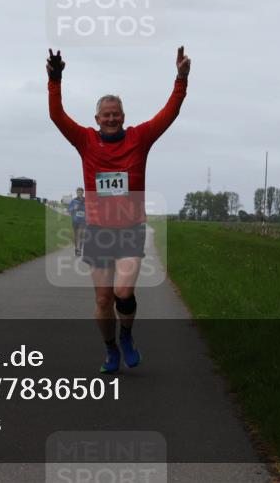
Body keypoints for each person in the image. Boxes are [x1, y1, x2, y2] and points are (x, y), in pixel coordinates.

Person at [47, 46, 190, 373]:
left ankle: (126, 336)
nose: (111, 118)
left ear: (123, 117)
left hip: (129, 230)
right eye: (106, 115)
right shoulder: (85, 140)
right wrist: (55, 79)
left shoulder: (140, 138)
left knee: (123, 291)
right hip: (98, 232)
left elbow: (170, 112)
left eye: (116, 114)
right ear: (97, 120)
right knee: (102, 301)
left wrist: (180, 78)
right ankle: (110, 348)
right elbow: (57, 116)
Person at [68, 187, 87, 256]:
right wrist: (74, 208)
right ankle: (76, 248)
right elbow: (69, 210)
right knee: (76, 236)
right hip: (75, 220)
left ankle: (79, 249)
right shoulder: (73, 201)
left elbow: (89, 209)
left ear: (83, 192)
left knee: (80, 234)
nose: (79, 193)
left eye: (81, 192)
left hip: (83, 220)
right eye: (78, 192)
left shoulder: (86, 200)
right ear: (76, 193)